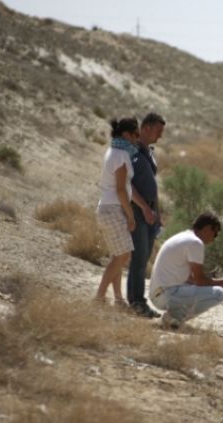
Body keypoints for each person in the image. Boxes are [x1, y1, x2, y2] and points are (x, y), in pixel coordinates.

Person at [148, 212, 223, 328]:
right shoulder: (195, 243)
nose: (214, 239)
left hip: (158, 294)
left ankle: (172, 318)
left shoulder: (185, 236)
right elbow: (199, 280)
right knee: (219, 293)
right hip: (166, 295)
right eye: (215, 234)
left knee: (206, 289)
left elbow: (191, 279)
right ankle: (174, 318)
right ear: (207, 228)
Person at [95, 117, 139, 306]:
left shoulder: (112, 152)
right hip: (114, 209)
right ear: (126, 134)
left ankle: (118, 298)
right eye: (135, 135)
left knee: (118, 255)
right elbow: (121, 190)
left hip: (106, 208)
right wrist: (130, 215)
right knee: (123, 255)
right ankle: (99, 297)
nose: (137, 139)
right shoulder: (121, 155)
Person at [127, 112, 166, 317]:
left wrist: (156, 213)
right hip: (137, 211)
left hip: (150, 213)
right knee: (139, 259)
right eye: (158, 131)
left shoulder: (149, 152)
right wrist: (143, 208)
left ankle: (139, 302)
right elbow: (128, 185)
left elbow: (153, 187)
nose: (160, 136)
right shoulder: (132, 151)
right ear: (147, 128)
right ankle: (136, 303)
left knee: (144, 258)